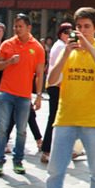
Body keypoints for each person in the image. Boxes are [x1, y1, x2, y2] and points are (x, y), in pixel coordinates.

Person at [45, 7, 95, 188]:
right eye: (79, 26)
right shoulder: (66, 50)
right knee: (55, 172)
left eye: (87, 26)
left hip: (94, 121)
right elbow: (51, 80)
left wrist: (91, 49)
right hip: (66, 118)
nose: (82, 31)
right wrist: (66, 53)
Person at [0, 13, 45, 177]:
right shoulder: (7, 44)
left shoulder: (37, 47)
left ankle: (18, 161)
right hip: (6, 92)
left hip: (24, 95)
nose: (17, 29)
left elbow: (40, 73)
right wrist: (8, 62)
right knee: (1, 129)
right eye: (15, 26)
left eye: (20, 26)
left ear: (29, 27)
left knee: (22, 130)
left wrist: (38, 95)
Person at [40, 22, 72, 163]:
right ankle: (47, 149)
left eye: (70, 33)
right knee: (54, 118)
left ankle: (52, 149)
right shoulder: (60, 47)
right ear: (60, 33)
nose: (68, 36)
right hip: (56, 85)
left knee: (57, 117)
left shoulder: (61, 46)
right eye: (66, 33)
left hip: (57, 85)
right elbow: (59, 67)